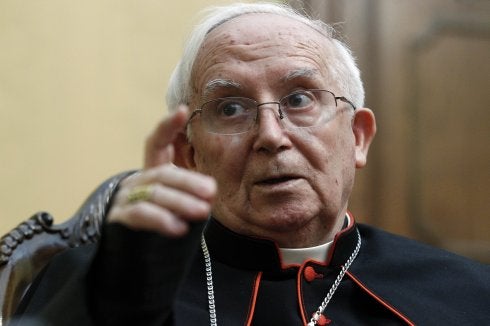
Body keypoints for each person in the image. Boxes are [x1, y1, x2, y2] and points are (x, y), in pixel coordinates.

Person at [11, 2, 489, 325]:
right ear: (188, 154)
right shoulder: (101, 283)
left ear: (357, 137)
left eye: (300, 98)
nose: (271, 136)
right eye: (230, 108)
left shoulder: (468, 295)